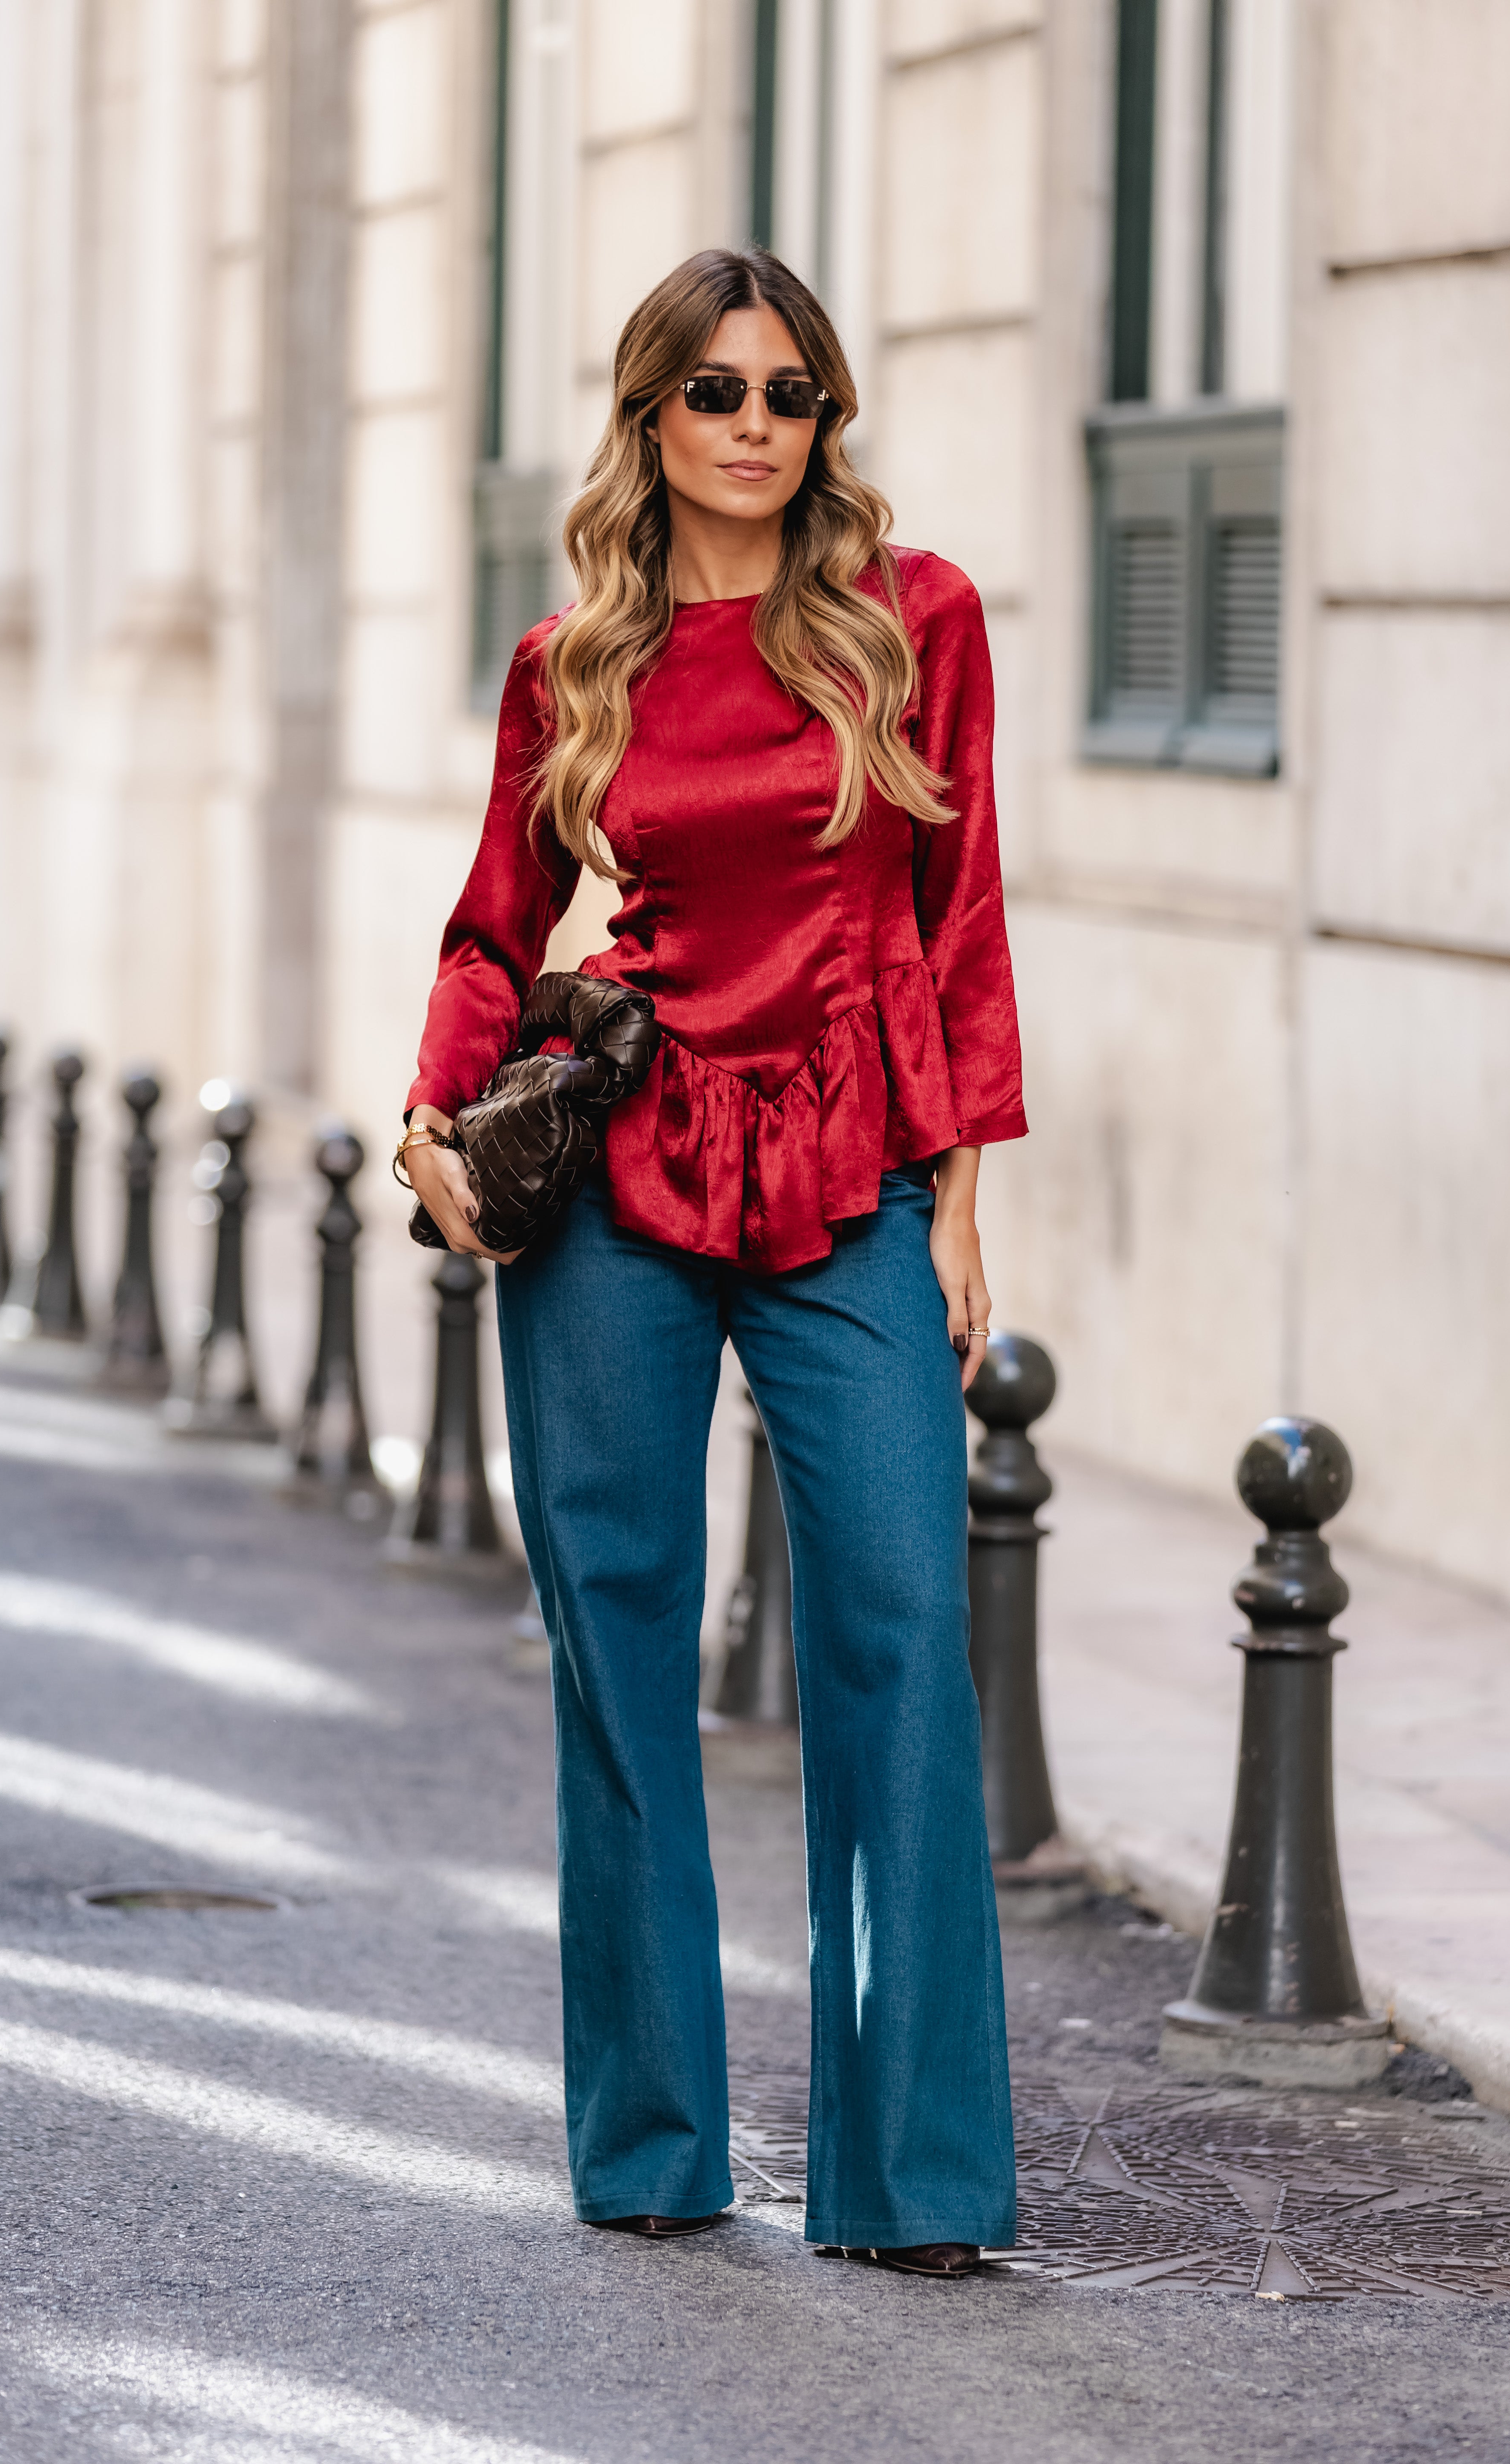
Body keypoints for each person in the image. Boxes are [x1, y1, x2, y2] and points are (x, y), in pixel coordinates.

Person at [401, 248, 1026, 2279]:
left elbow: (955, 908)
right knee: (624, 1648)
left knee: (896, 1633)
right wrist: (434, 1122)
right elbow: (498, 928)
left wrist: (953, 1188)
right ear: (650, 421)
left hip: (847, 1172)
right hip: (618, 1182)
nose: (760, 427)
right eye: (718, 394)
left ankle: (912, 2180)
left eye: (794, 396)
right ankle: (656, 2142)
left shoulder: (911, 624)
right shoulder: (573, 656)